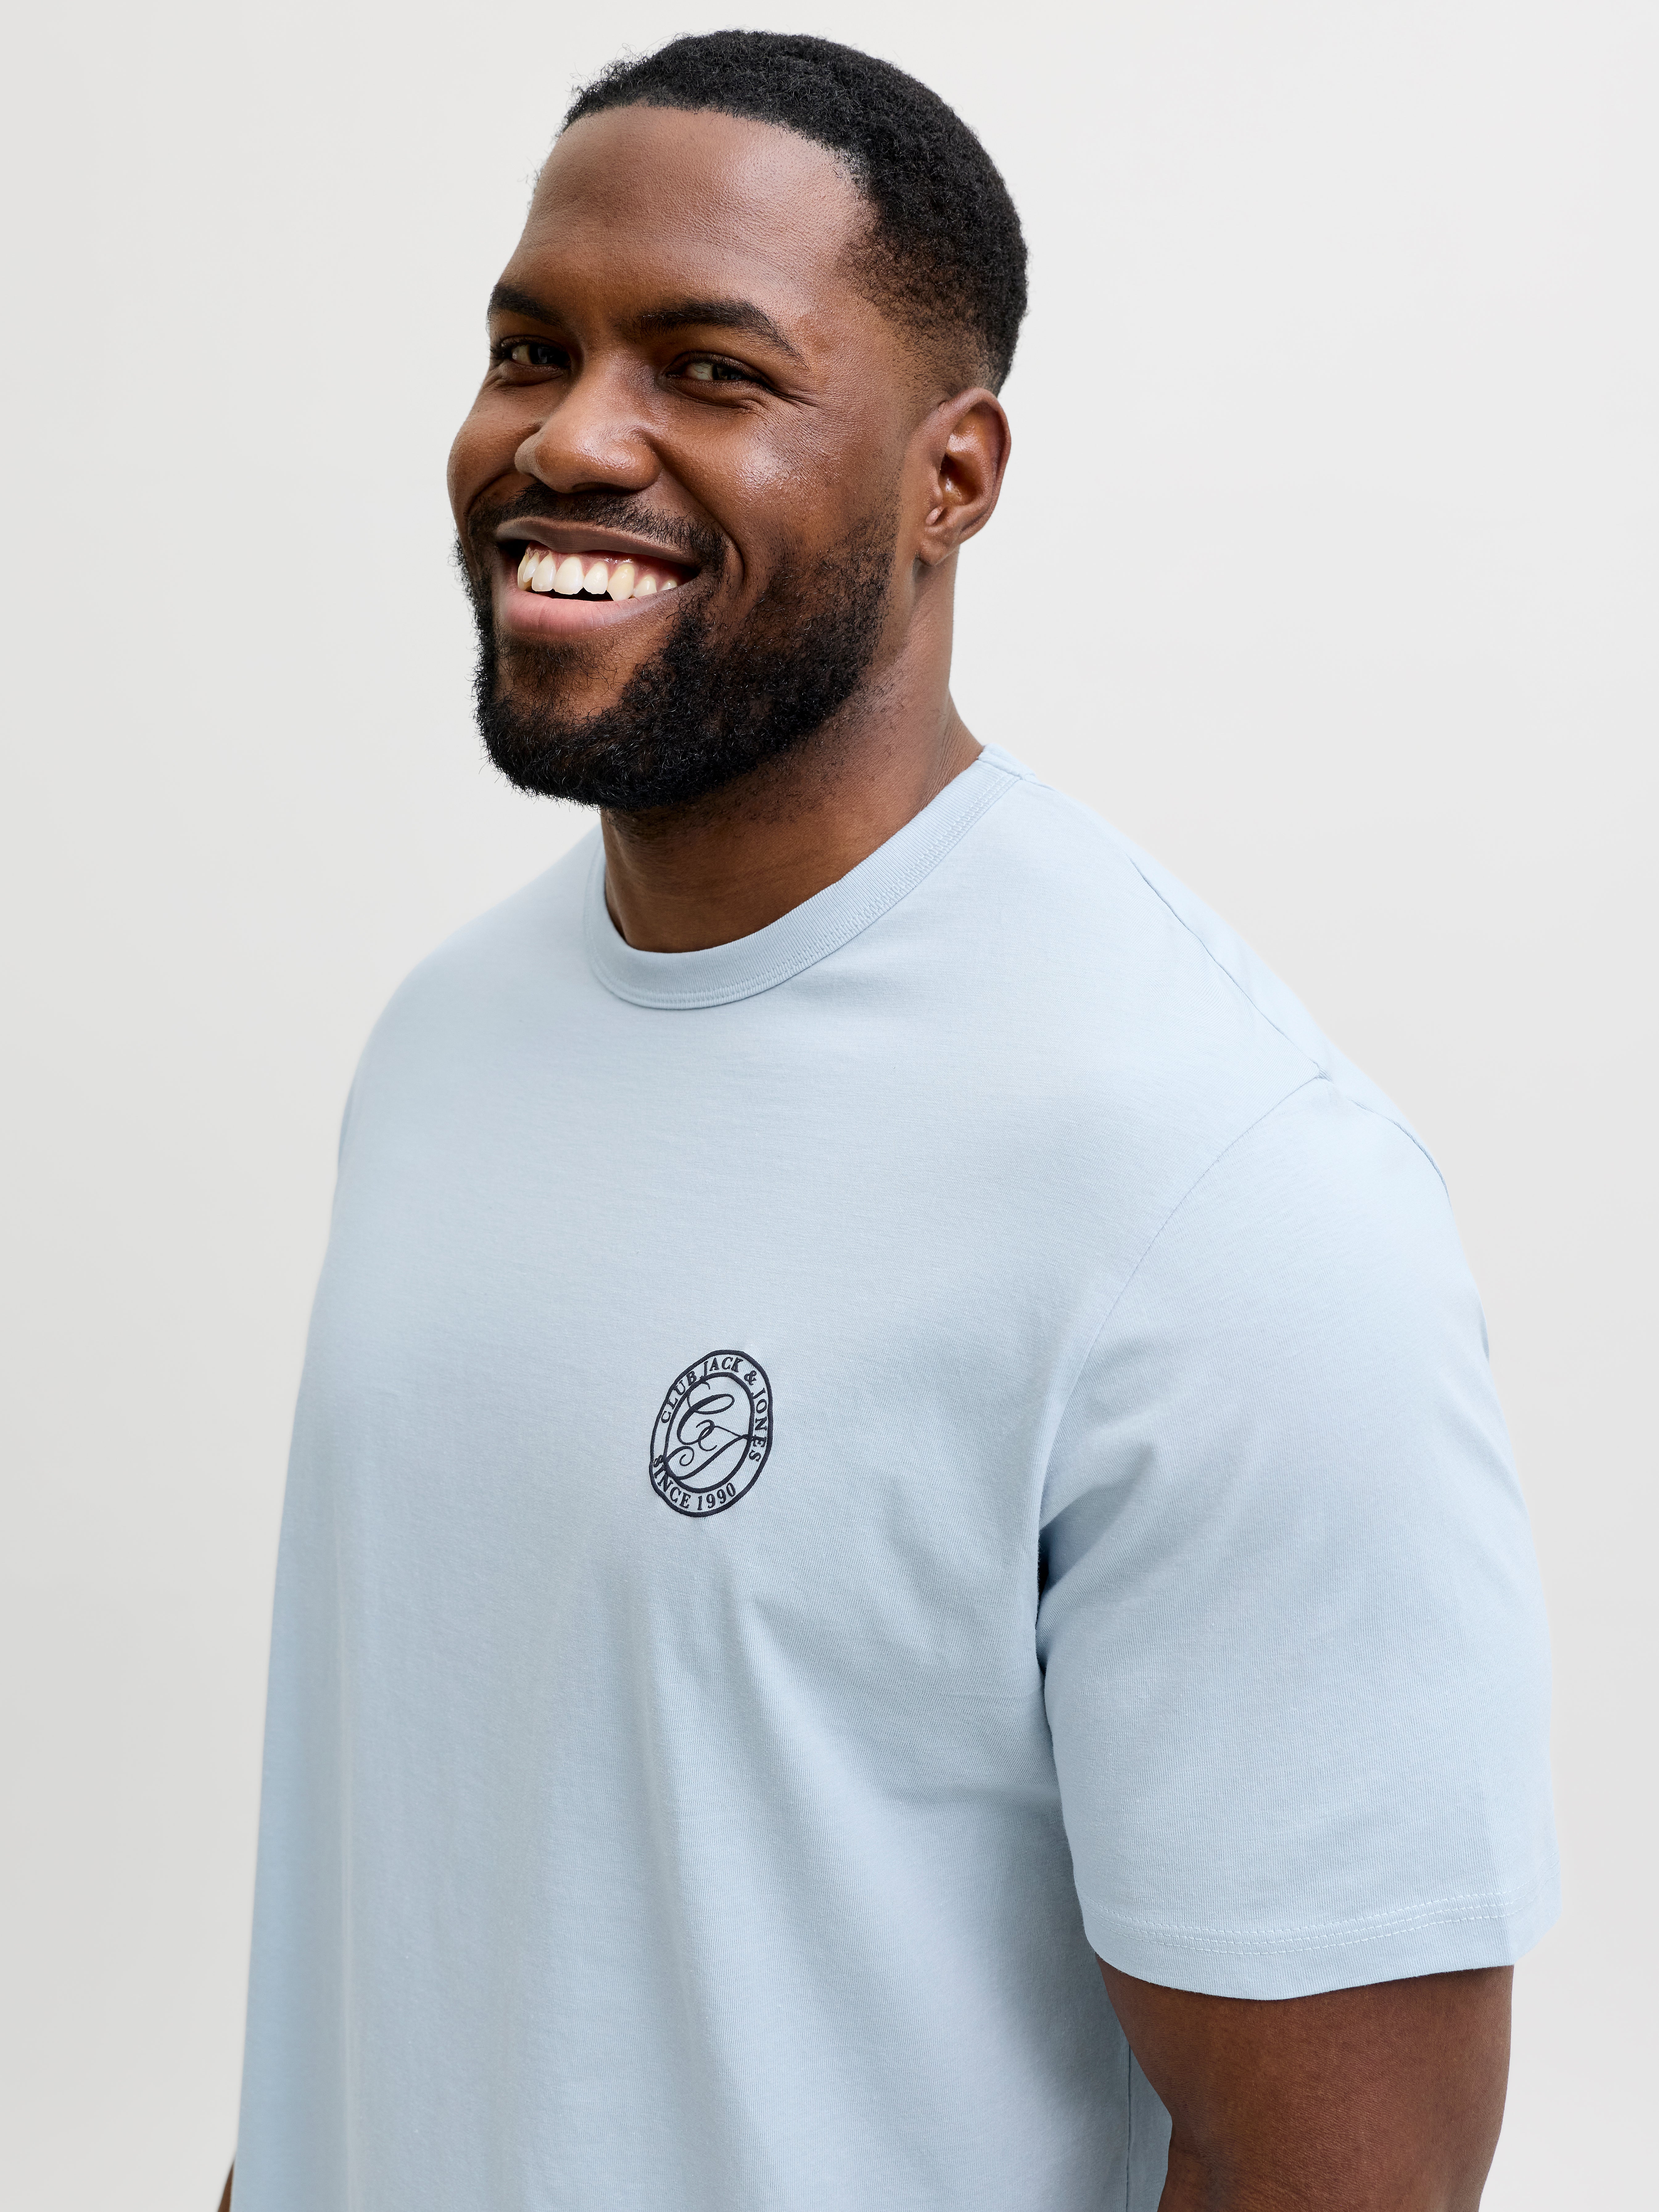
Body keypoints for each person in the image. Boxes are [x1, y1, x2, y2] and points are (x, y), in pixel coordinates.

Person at [224, 31, 1557, 2211]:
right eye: (530, 349)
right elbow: (398, 1943)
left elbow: (1354, 2174)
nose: (571, 437)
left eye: (712, 371)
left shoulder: (1217, 1183)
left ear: (953, 477)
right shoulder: (445, 1046)